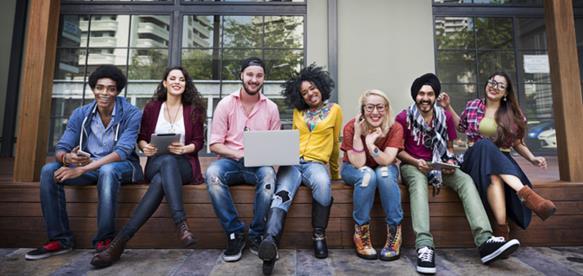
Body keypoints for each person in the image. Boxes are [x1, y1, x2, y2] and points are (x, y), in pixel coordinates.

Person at [396, 73, 520, 274]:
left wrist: (450, 162)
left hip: (439, 164)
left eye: (430, 93)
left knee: (465, 180)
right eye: (421, 93)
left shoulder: (443, 116)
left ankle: (485, 241)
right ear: (415, 95)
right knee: (418, 186)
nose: (425, 98)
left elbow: (450, 147)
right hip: (413, 164)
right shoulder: (403, 117)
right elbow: (398, 150)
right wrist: (415, 161)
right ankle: (424, 246)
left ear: (435, 96)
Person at [90, 66, 206, 268]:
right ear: (165, 83)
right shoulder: (153, 108)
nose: (177, 82)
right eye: (173, 78)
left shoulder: (193, 109)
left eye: (182, 79)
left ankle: (119, 243)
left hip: (184, 165)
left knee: (166, 171)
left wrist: (185, 148)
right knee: (165, 164)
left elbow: (199, 141)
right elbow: (141, 137)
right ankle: (181, 224)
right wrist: (146, 147)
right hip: (156, 162)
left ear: (186, 85)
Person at [25, 65, 144, 260]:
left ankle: (105, 239)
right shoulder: (81, 114)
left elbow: (122, 152)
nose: (104, 93)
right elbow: (62, 146)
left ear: (117, 92)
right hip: (89, 167)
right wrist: (67, 158)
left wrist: (81, 170)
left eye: (111, 88)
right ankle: (60, 239)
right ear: (93, 89)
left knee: (107, 170)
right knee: (49, 170)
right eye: (100, 87)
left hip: (123, 167)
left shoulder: (131, 113)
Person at [438, 71, 556, 239]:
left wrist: (532, 158)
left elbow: (518, 143)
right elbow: (461, 127)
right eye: (492, 82)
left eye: (501, 85)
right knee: (485, 144)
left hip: (502, 160)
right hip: (474, 159)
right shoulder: (473, 105)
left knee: (494, 176)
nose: (494, 87)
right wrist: (448, 107)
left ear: (506, 92)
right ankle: (529, 197)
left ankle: (501, 231)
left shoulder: (513, 114)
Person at [257, 64, 342, 275]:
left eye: (312, 88)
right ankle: (270, 242)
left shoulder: (335, 110)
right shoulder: (298, 112)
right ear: (300, 96)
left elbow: (334, 145)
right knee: (281, 195)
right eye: (304, 92)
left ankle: (319, 236)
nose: (310, 94)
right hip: (292, 162)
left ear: (321, 86)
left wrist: (334, 173)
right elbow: (292, 138)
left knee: (323, 185)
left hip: (315, 164)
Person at [206, 57, 280, 262]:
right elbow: (214, 144)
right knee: (212, 173)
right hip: (230, 161)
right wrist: (238, 154)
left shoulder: (271, 108)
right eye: (250, 74)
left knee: (268, 175)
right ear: (241, 75)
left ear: (264, 78)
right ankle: (234, 234)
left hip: (258, 165)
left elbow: (275, 146)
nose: (254, 79)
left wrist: (273, 168)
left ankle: (257, 235)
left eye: (259, 75)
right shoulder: (225, 104)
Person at [340, 89, 404, 261]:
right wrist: (358, 135)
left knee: (383, 174)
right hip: (353, 168)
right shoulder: (351, 126)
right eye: (369, 107)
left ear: (386, 108)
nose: (375, 112)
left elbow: (387, 160)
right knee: (367, 175)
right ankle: (360, 233)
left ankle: (394, 234)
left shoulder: (395, 127)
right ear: (362, 110)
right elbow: (359, 163)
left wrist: (371, 144)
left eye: (379, 107)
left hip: (383, 166)